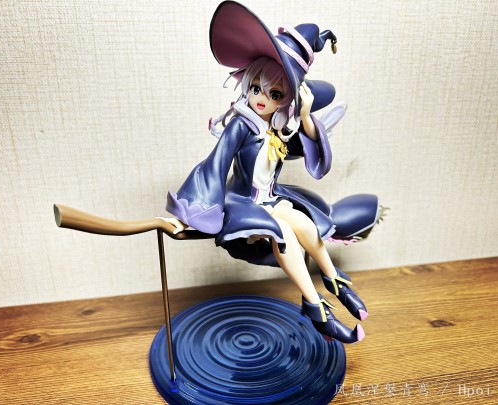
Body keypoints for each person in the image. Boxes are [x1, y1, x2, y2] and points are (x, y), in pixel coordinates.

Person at [163, 1, 382, 344]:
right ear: (247, 84)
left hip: (271, 199)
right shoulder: (241, 125)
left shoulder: (276, 129)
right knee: (284, 234)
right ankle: (316, 306)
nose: (262, 98)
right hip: (244, 202)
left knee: (305, 224)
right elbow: (216, 163)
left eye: (275, 93)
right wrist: (199, 208)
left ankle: (334, 280)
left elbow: (312, 155)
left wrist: (305, 115)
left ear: (286, 99)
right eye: (256, 88)